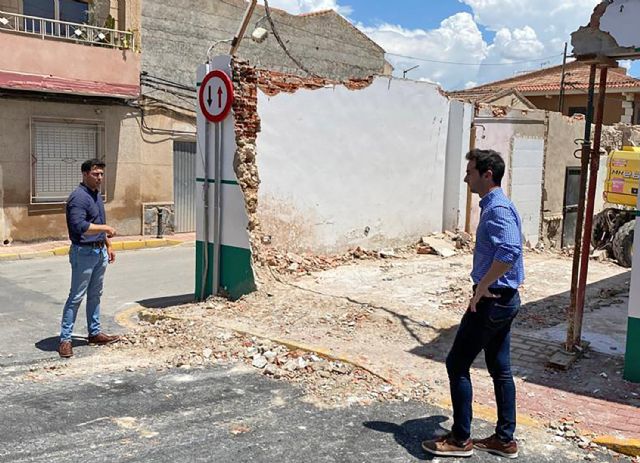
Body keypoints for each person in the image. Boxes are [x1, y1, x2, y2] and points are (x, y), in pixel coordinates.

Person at [422, 149, 525, 459]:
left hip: (493, 300)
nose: (466, 177)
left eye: (470, 171)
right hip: (504, 299)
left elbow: (509, 251)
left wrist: (481, 286)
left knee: (457, 363)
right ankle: (504, 440)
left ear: (487, 174)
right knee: (500, 369)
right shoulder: (496, 206)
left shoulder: (497, 209)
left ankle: (460, 439)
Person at [58, 159, 120, 358]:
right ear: (85, 174)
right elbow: (80, 226)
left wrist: (108, 245)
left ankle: (94, 333)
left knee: (95, 295)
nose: (100, 178)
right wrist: (106, 229)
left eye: (101, 174)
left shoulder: (96, 195)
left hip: (99, 251)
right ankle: (65, 340)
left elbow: (97, 221)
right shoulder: (78, 197)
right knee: (76, 296)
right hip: (83, 252)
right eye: (96, 174)